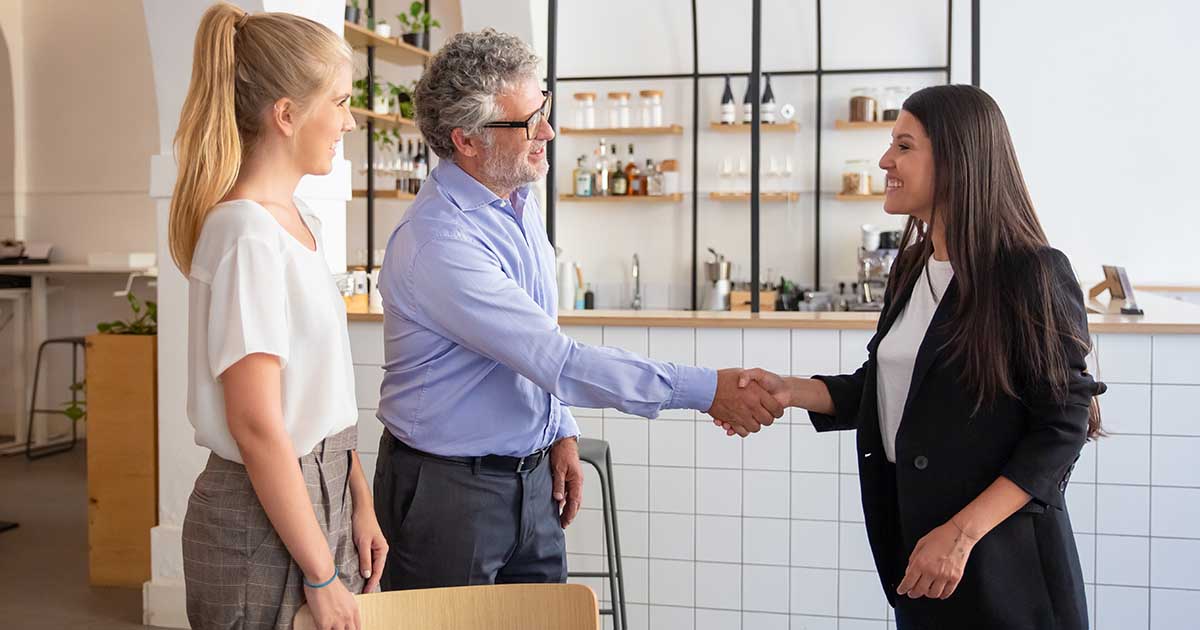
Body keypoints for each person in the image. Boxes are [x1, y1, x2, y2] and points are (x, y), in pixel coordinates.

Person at [374, 29, 783, 591]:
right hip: (449, 494)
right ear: (465, 141)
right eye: (526, 123)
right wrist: (707, 388)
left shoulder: (517, 200)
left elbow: (535, 336)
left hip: (531, 478)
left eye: (544, 109)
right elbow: (556, 360)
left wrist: (559, 430)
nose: (549, 131)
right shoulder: (439, 243)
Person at [733, 85, 1105, 629]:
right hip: (920, 556)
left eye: (904, 146)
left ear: (957, 161)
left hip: (1003, 568)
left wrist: (961, 533)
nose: (886, 160)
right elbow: (893, 390)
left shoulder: (1032, 273)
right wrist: (793, 390)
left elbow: (1062, 426)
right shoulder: (911, 267)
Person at [171, 5, 386, 629]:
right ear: (287, 114)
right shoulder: (246, 235)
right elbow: (258, 424)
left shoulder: (299, 224)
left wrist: (358, 504)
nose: (348, 120)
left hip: (320, 501)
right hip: (258, 523)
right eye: (340, 102)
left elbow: (325, 395)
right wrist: (320, 574)